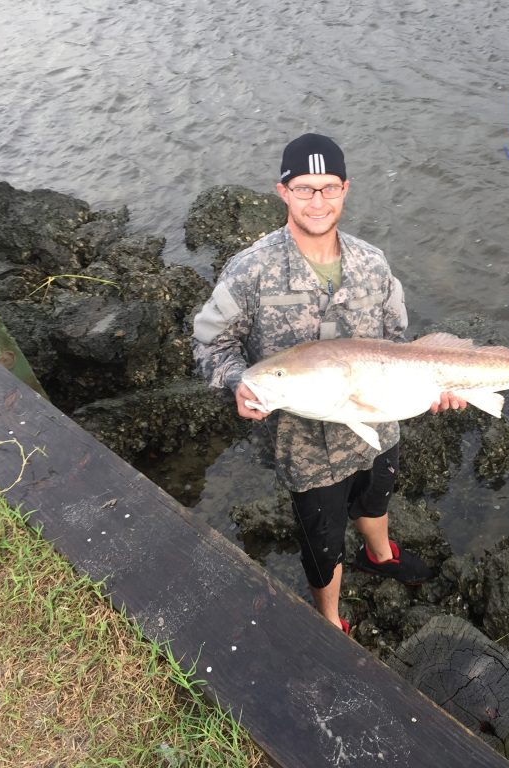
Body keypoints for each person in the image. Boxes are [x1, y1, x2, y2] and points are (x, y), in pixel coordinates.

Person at [191, 133, 465, 633]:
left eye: (329, 188)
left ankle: (380, 555)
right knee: (322, 540)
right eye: (304, 189)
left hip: (379, 424)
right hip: (307, 450)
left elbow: (398, 340)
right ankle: (330, 619)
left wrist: (436, 386)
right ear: (282, 192)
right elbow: (210, 343)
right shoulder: (250, 271)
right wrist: (236, 383)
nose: (318, 201)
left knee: (377, 496)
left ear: (345, 190)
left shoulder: (372, 263)